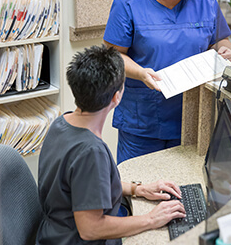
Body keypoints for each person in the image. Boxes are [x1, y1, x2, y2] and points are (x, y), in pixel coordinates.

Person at [103, 0, 231, 164]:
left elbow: (220, 41)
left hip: (191, 117)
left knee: (181, 189)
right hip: (142, 120)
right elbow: (114, 56)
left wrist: (226, 51)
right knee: (137, 189)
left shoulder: (206, 3)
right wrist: (141, 73)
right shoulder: (127, 4)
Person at [36, 45, 186, 245]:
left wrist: (138, 189)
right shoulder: (90, 152)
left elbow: (84, 185)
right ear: (117, 97)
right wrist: (151, 219)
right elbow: (90, 228)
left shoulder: (62, 123)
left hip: (54, 233)